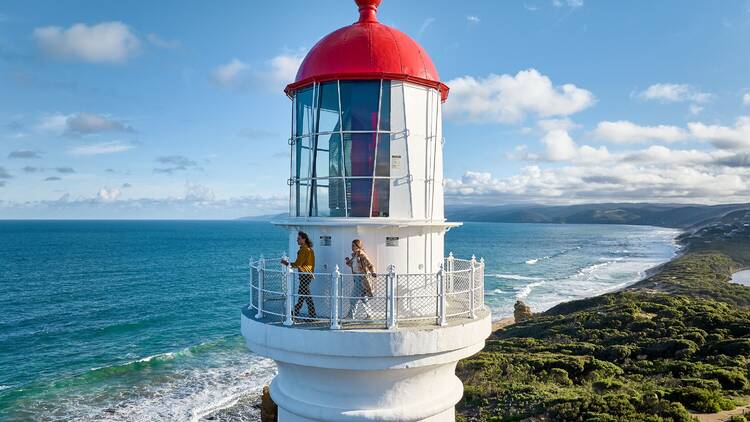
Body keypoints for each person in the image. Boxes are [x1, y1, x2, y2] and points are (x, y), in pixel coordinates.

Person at [281, 231, 316, 319]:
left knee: (305, 295)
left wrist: (286, 263)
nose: (297, 240)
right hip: (308, 274)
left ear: (304, 239)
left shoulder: (304, 250)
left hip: (304, 275)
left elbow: (298, 264)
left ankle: (302, 313)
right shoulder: (309, 249)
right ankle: (298, 312)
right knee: (303, 294)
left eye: (299, 239)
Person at [344, 239, 376, 319]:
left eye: (353, 245)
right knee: (363, 298)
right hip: (356, 278)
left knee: (353, 298)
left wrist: (373, 272)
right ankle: (370, 315)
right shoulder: (355, 255)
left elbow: (369, 264)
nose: (352, 247)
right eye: (352, 245)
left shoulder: (362, 255)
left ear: (358, 246)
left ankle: (350, 316)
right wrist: (348, 261)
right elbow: (353, 265)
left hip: (361, 278)